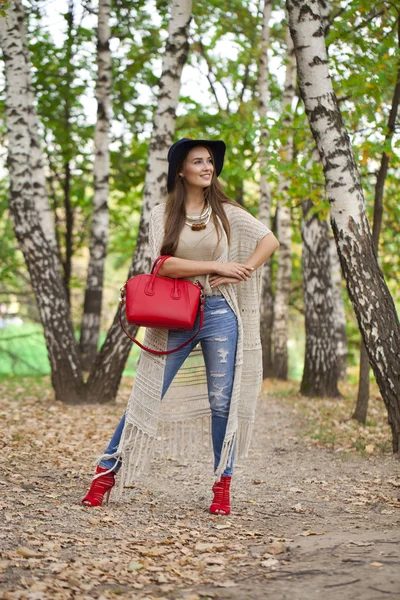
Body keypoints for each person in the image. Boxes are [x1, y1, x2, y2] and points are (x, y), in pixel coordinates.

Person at [82, 138, 279, 514]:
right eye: (198, 162)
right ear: (181, 171)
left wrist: (244, 269)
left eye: (210, 161)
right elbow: (163, 265)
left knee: (222, 403)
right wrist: (217, 266)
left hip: (221, 314)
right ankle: (105, 473)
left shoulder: (228, 212)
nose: (208, 167)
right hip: (176, 315)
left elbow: (269, 240)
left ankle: (223, 484)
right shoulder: (162, 214)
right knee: (147, 394)